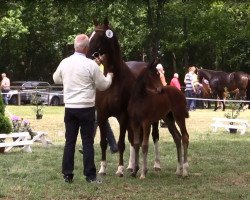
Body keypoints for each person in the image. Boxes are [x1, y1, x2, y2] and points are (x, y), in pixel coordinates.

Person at [53, 34, 114, 184]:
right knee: (87, 142)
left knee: (70, 142)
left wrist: (68, 80)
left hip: (70, 108)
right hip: (86, 108)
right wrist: (110, 76)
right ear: (87, 48)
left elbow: (56, 78)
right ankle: (90, 176)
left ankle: (67, 175)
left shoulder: (65, 62)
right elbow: (103, 85)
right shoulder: (91, 65)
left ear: (75, 46)